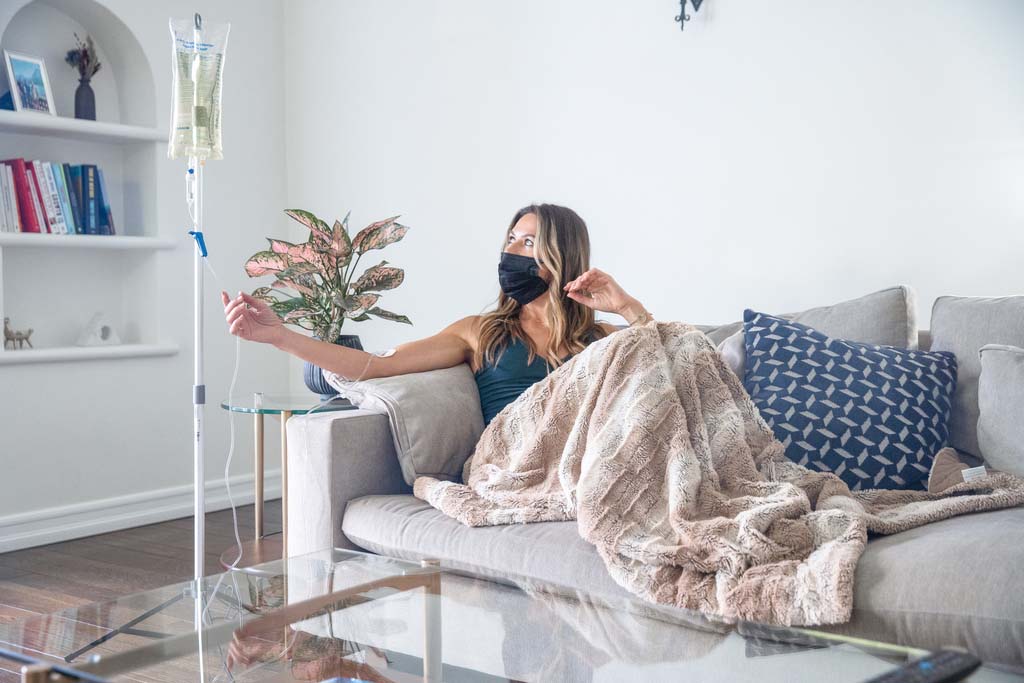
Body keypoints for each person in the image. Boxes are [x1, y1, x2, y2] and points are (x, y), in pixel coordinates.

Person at [222, 203, 654, 425]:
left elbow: (669, 379)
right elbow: (376, 366)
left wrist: (627, 308)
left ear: (562, 255)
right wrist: (281, 337)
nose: (511, 250)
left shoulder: (602, 339)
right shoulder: (479, 333)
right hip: (518, 455)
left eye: (528, 243)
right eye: (511, 238)